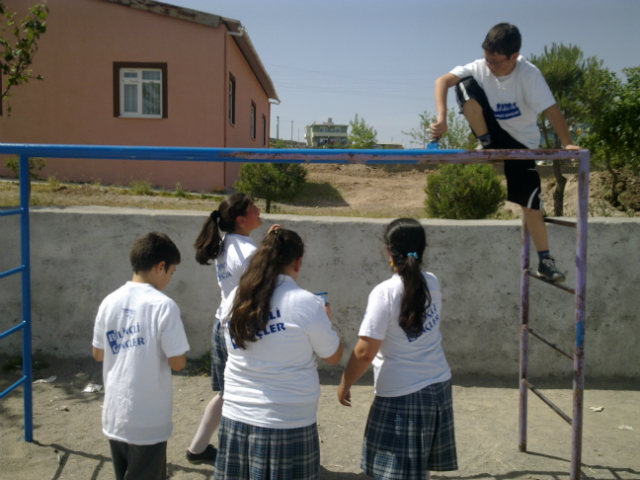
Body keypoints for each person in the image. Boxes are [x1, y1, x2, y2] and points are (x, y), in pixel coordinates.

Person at [430, 23, 580, 283]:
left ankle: (545, 260)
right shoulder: (479, 66)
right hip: (492, 134)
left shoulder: (529, 74)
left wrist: (567, 143)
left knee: (531, 204)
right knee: (463, 85)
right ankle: (486, 143)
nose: (490, 66)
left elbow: (552, 111)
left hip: (522, 146)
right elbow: (441, 81)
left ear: (515, 57)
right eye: (487, 59)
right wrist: (441, 118)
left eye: (497, 62)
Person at [214, 228, 343, 480]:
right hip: (288, 422)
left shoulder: (232, 299)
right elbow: (333, 356)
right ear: (298, 262)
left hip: (236, 417)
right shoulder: (307, 303)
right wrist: (326, 320)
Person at [338, 218, 457, 480]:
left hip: (403, 395)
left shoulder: (385, 292)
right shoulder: (433, 282)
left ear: (388, 251)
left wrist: (345, 382)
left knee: (396, 471)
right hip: (437, 385)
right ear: (423, 249)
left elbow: (364, 352)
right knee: (418, 467)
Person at [187, 193, 278, 464]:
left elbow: (243, 267)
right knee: (248, 393)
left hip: (222, 323)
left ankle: (198, 448)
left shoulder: (227, 243)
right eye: (253, 208)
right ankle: (246, 455)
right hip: (239, 329)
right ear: (241, 219)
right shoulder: (247, 252)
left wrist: (266, 246)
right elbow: (260, 287)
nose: (259, 209)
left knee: (227, 393)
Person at [92, 232, 190, 480]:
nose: (169, 278)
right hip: (148, 421)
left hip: (115, 416)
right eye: (171, 272)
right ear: (160, 267)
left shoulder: (109, 301)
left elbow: (98, 353)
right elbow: (178, 363)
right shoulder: (163, 305)